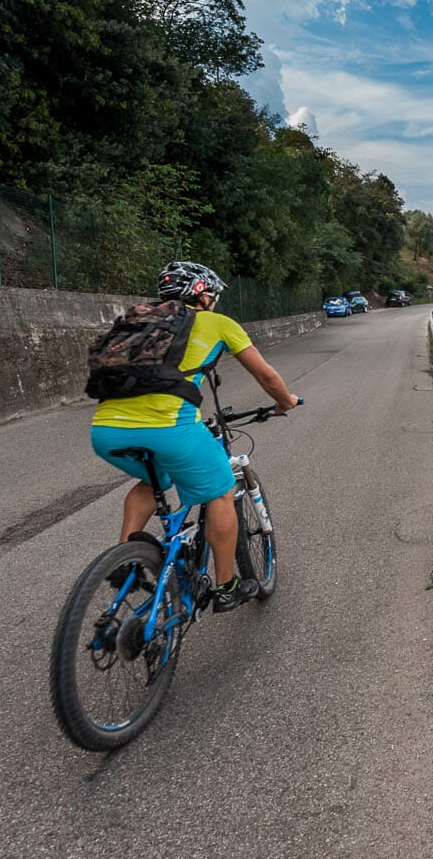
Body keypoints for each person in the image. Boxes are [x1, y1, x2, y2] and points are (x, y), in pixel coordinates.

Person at [89, 262, 299, 612]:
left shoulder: (139, 322)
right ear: (201, 293)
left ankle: (124, 561)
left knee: (153, 478)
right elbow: (265, 375)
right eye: (212, 295)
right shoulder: (218, 323)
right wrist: (285, 401)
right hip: (171, 428)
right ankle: (226, 586)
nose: (214, 301)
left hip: (106, 430)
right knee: (220, 491)